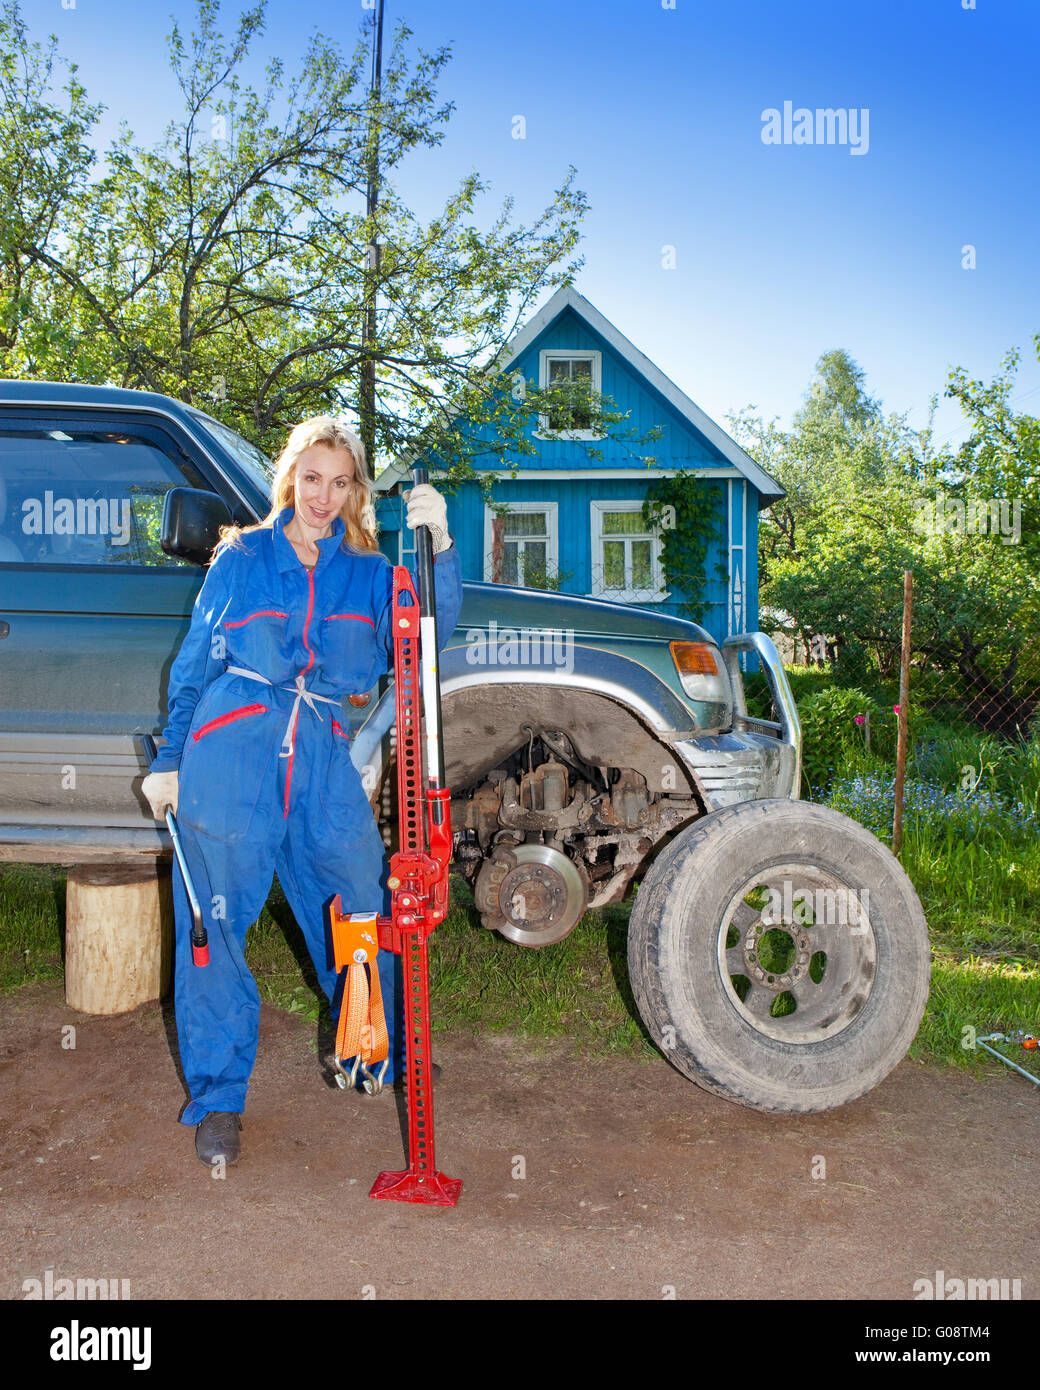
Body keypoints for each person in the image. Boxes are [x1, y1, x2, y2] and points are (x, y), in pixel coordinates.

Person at [140, 416, 461, 1166]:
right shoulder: (242, 556)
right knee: (211, 936)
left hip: (322, 766)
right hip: (229, 762)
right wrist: (170, 759)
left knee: (363, 910)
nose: (323, 496)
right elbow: (194, 666)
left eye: (340, 482)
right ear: (291, 478)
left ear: (355, 492)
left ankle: (382, 1050)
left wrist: (439, 549)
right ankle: (219, 1098)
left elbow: (427, 638)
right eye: (311, 478)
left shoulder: (374, 572)